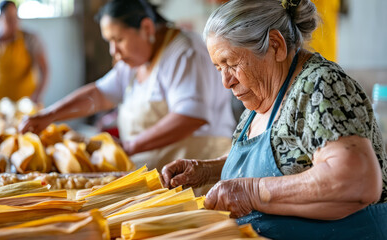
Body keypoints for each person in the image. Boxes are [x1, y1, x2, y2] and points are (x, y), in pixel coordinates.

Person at [161, 0, 387, 239]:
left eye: (232, 64)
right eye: (219, 68)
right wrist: (207, 171)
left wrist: (252, 192)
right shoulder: (263, 95)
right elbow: (288, 157)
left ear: (276, 45)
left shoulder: (320, 86)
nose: (226, 82)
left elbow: (357, 180)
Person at [19, 0, 236, 171]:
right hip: (156, 173)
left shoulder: (185, 52)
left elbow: (190, 116)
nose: (114, 51)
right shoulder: (133, 62)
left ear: (147, 28)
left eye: (119, 39)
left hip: (199, 174)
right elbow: (99, 94)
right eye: (109, 41)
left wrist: (130, 146)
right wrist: (49, 115)